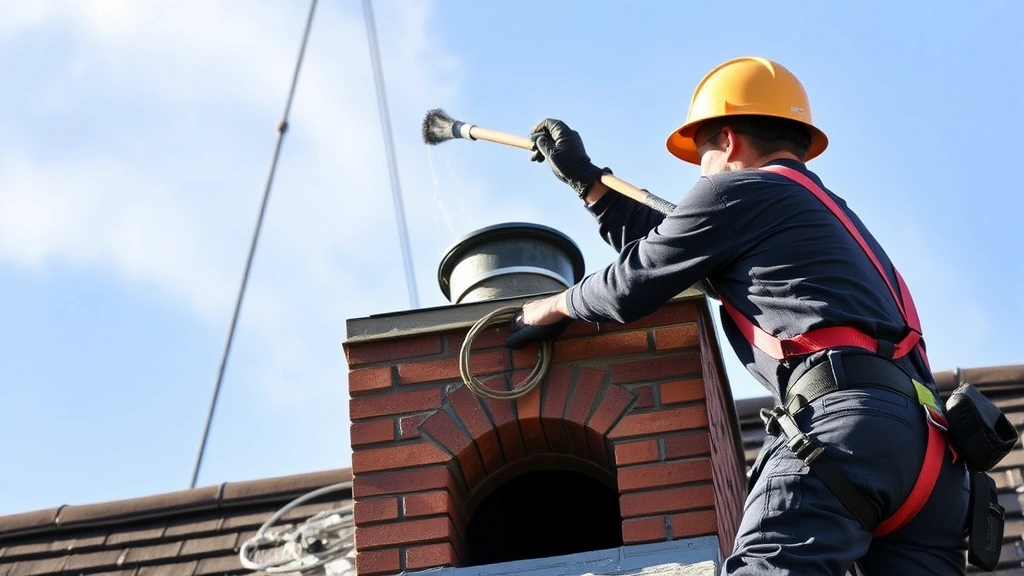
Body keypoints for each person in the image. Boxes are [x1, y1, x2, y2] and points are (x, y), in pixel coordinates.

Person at [515, 56, 970, 575]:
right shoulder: (819, 212)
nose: (700, 174)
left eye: (701, 156)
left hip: (848, 429)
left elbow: (632, 282)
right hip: (931, 456)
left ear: (728, 141)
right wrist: (592, 186)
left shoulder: (735, 192)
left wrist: (552, 305)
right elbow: (671, 253)